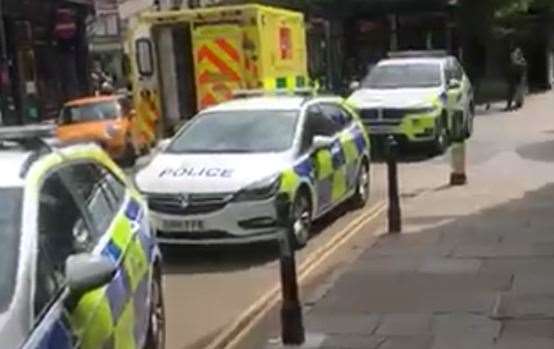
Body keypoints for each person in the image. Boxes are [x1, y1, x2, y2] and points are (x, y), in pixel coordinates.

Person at [505, 42, 527, 111]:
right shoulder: (515, 58)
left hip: (519, 76)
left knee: (518, 91)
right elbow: (514, 64)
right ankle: (510, 104)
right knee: (512, 90)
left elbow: (523, 67)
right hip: (514, 76)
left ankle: (518, 104)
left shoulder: (521, 60)